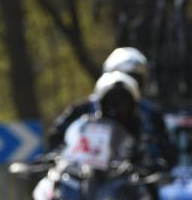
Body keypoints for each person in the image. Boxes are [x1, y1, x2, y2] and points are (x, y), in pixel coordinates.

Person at [46, 47, 177, 167]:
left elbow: (166, 149)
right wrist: (57, 156)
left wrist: (155, 165)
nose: (127, 84)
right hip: (85, 172)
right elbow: (57, 136)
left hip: (131, 177)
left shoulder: (151, 113)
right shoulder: (82, 108)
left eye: (135, 79)